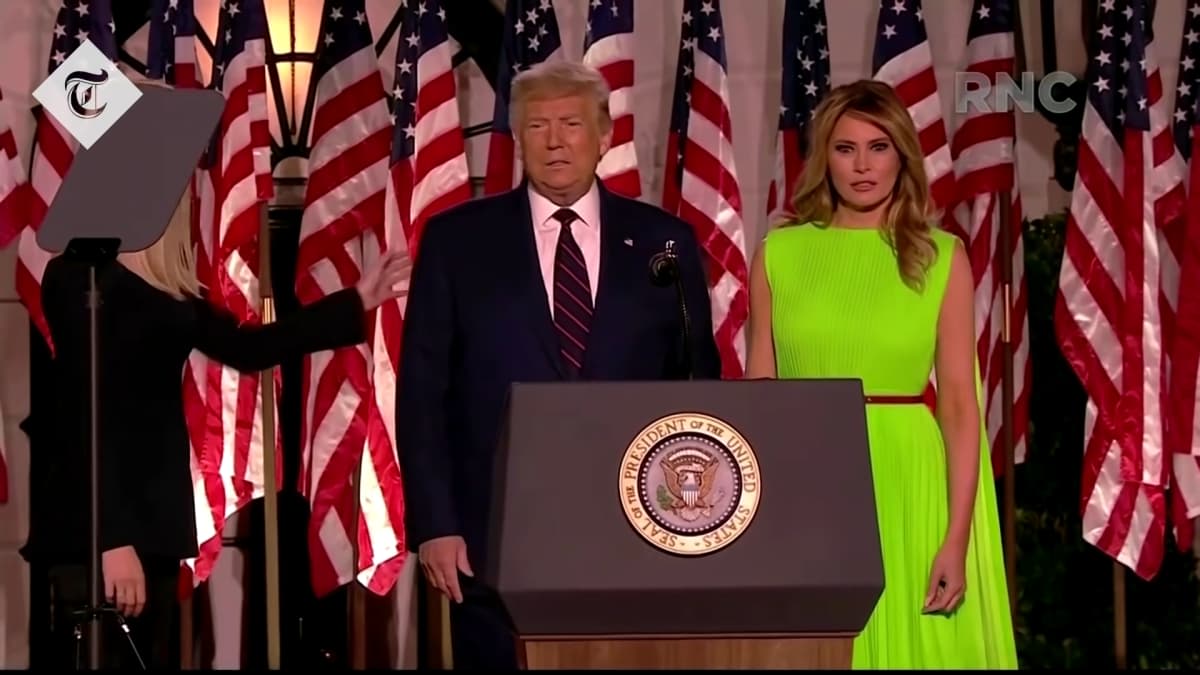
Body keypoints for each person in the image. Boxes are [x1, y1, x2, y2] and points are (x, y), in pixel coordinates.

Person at [397, 59, 722, 670]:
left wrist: (692, 520)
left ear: (604, 137)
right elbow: (422, 395)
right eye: (538, 126)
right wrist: (434, 523)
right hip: (490, 530)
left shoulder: (665, 241)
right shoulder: (456, 240)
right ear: (517, 140)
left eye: (571, 123)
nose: (555, 140)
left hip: (638, 526)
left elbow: (698, 384)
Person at [21, 187, 411, 669]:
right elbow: (81, 413)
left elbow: (251, 349)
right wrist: (111, 540)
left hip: (154, 525)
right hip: (96, 529)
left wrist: (355, 301)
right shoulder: (75, 275)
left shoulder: (169, 289)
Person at [744, 79, 1018, 669]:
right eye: (845, 149)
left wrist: (956, 537)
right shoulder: (779, 254)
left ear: (903, 156)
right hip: (805, 483)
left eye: (879, 147)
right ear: (824, 158)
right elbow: (757, 401)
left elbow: (961, 409)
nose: (863, 166)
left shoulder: (942, 255)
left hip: (910, 482)